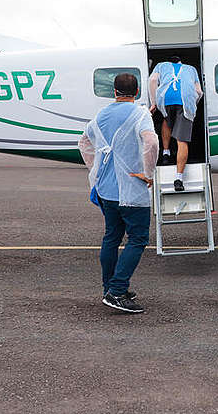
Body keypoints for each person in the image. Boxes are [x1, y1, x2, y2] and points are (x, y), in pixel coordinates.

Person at [78, 72, 159, 314]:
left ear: (114, 92)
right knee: (137, 239)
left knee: (112, 237)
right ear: (136, 93)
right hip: (131, 191)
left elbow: (84, 142)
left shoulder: (101, 115)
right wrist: (148, 173)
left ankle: (109, 288)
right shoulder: (141, 113)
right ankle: (117, 290)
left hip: (106, 190)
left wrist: (96, 168)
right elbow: (152, 143)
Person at [149, 56, 203, 192]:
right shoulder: (191, 69)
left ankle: (165, 153)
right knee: (182, 140)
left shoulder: (161, 65)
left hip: (166, 99)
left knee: (166, 121)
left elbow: (153, 80)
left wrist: (154, 102)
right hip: (185, 101)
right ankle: (179, 178)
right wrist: (193, 104)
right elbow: (198, 91)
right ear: (180, 62)